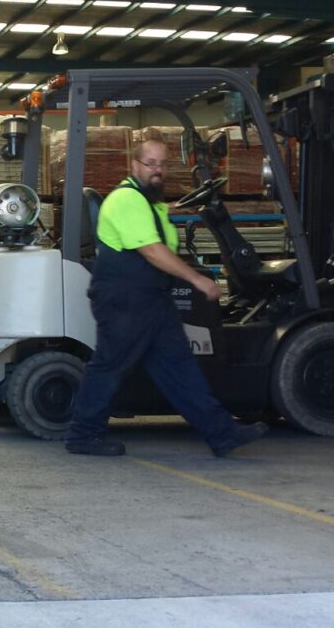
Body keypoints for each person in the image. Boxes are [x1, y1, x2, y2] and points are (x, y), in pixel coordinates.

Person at [64, 137, 268, 458]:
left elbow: (162, 250)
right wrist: (198, 280)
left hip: (151, 301)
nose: (157, 171)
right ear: (135, 165)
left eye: (162, 164)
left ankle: (222, 434)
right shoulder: (127, 200)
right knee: (110, 365)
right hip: (125, 301)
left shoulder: (152, 205)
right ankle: (82, 435)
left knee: (180, 370)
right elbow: (152, 251)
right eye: (151, 164)